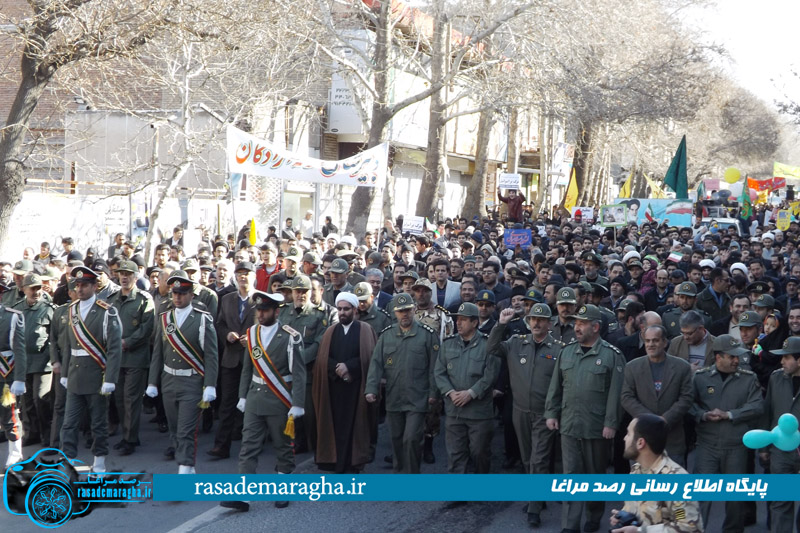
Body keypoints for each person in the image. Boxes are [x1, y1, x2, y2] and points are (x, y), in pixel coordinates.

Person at [220, 291, 305, 512]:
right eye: (258, 310)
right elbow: (247, 368)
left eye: (265, 310)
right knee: (248, 447)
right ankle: (244, 496)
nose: (260, 313)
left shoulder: (290, 336)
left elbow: (299, 373)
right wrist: (242, 396)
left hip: (279, 399)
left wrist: (297, 403)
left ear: (276, 311)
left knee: (282, 446)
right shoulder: (252, 333)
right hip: (255, 399)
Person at [545, 304, 626, 533]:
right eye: (576, 323)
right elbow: (556, 387)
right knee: (570, 476)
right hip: (569, 424)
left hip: (596, 427)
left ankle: (593, 515)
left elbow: (616, 394)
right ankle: (570, 525)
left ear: (596, 327)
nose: (576, 328)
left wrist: (611, 423)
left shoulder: (612, 355)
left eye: (581, 323)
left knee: (594, 475)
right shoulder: (566, 352)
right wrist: (551, 412)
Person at [487, 302, 563, 527]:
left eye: (541, 319)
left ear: (550, 323)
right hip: (520, 410)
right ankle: (538, 496)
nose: (537, 323)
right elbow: (490, 348)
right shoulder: (515, 343)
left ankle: (534, 508)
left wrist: (555, 411)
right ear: (528, 322)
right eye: (533, 319)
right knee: (528, 459)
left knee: (539, 460)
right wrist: (500, 324)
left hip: (544, 413)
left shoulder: (559, 349)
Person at [146, 270, 218, 474]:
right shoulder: (164, 318)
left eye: (182, 293)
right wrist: (152, 382)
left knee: (186, 430)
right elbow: (157, 354)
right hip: (169, 381)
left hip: (192, 381)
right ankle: (188, 465)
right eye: (174, 293)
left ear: (191, 295)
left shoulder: (202, 319)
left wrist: (210, 385)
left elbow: (212, 355)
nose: (177, 297)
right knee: (175, 428)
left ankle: (184, 470)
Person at [690, 334, 763, 532]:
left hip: (736, 446)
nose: (736, 360)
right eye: (731, 357)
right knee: (702, 495)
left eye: (737, 356)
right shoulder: (700, 377)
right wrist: (703, 415)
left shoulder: (749, 378)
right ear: (718, 357)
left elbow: (757, 406)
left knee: (735, 499)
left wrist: (730, 414)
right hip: (707, 445)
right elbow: (689, 404)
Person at [365, 293, 439, 473]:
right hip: (394, 396)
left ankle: (412, 475)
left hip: (418, 397)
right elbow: (376, 364)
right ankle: (399, 472)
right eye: (400, 311)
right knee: (397, 438)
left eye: (407, 310)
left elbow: (435, 368)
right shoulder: (387, 335)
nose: (404, 314)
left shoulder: (427, 335)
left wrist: (433, 394)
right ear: (394, 313)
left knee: (412, 438)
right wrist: (371, 389)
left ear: (414, 309)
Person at [59, 266, 122, 473]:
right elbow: (68, 345)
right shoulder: (72, 310)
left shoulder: (107, 311)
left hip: (97, 375)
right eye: (77, 285)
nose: (80, 289)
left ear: (95, 286)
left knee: (98, 423)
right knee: (69, 424)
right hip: (76, 376)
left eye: (84, 285)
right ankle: (67, 463)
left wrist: (110, 378)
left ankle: (99, 462)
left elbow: (114, 349)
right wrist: (66, 374)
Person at [312, 292, 377, 473]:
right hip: (334, 387)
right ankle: (332, 460)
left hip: (356, 387)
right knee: (335, 424)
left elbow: (369, 356)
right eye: (339, 309)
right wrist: (338, 369)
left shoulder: (365, 329)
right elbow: (323, 358)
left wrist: (349, 367)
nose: (342, 313)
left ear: (355, 310)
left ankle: (352, 462)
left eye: (346, 309)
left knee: (354, 425)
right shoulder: (331, 331)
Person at [435, 303, 500, 477]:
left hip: (479, 412)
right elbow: (439, 372)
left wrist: (471, 393)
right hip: (455, 410)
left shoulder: (488, 345)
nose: (459, 323)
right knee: (455, 454)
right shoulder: (448, 344)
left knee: (479, 452)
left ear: (474, 322)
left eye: (463, 320)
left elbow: (491, 375)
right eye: (458, 319)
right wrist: (449, 392)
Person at [609, 414, 702, 533]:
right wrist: (623, 517)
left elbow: (690, 527)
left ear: (640, 443)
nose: (624, 438)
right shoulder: (637, 470)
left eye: (628, 434)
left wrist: (640, 531)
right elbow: (635, 507)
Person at [620, 325, 694, 466]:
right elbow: (626, 397)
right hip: (641, 438)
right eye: (647, 341)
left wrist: (665, 419)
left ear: (665, 342)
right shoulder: (632, 367)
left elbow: (687, 398)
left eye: (655, 340)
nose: (650, 345)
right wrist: (650, 420)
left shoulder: (682, 367)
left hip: (672, 439)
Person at [208, 261, 257, 460]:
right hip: (231, 359)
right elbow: (218, 324)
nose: (243, 277)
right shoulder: (227, 299)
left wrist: (253, 339)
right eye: (239, 273)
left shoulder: (261, 300)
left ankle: (252, 447)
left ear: (254, 276)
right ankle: (221, 446)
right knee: (227, 403)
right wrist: (227, 334)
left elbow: (268, 325)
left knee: (252, 405)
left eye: (246, 273)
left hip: (253, 360)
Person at [106, 260, 155, 455]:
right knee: (118, 398)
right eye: (121, 273)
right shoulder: (111, 300)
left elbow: (147, 328)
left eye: (128, 274)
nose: (124, 277)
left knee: (131, 399)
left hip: (136, 357)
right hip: (117, 359)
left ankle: (130, 439)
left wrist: (127, 342)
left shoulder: (144, 299)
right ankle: (127, 434)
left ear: (136, 277)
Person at [279, 274, 328, 454]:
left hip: (306, 371)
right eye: (297, 292)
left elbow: (319, 343)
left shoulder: (318, 315)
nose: (300, 295)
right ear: (292, 293)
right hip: (284, 369)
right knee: (285, 407)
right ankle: (292, 443)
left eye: (304, 292)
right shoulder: (283, 312)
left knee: (308, 412)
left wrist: (299, 360)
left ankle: (313, 446)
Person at [760, 336, 800, 533]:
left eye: (787, 357)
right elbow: (767, 413)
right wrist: (764, 447)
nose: (782, 361)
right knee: (780, 504)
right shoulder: (776, 378)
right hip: (781, 453)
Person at [13, 273, 55, 446]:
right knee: (27, 401)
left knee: (41, 399)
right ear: (24, 290)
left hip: (43, 362)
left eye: (39, 288)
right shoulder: (16, 309)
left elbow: (55, 337)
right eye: (32, 288)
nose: (36, 292)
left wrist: (55, 359)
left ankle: (48, 435)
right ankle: (31, 433)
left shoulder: (49, 308)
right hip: (23, 363)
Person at [0, 292, 26, 467]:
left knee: (9, 414)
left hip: (5, 373)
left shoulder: (12, 317)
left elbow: (20, 350)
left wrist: (19, 378)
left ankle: (15, 454)